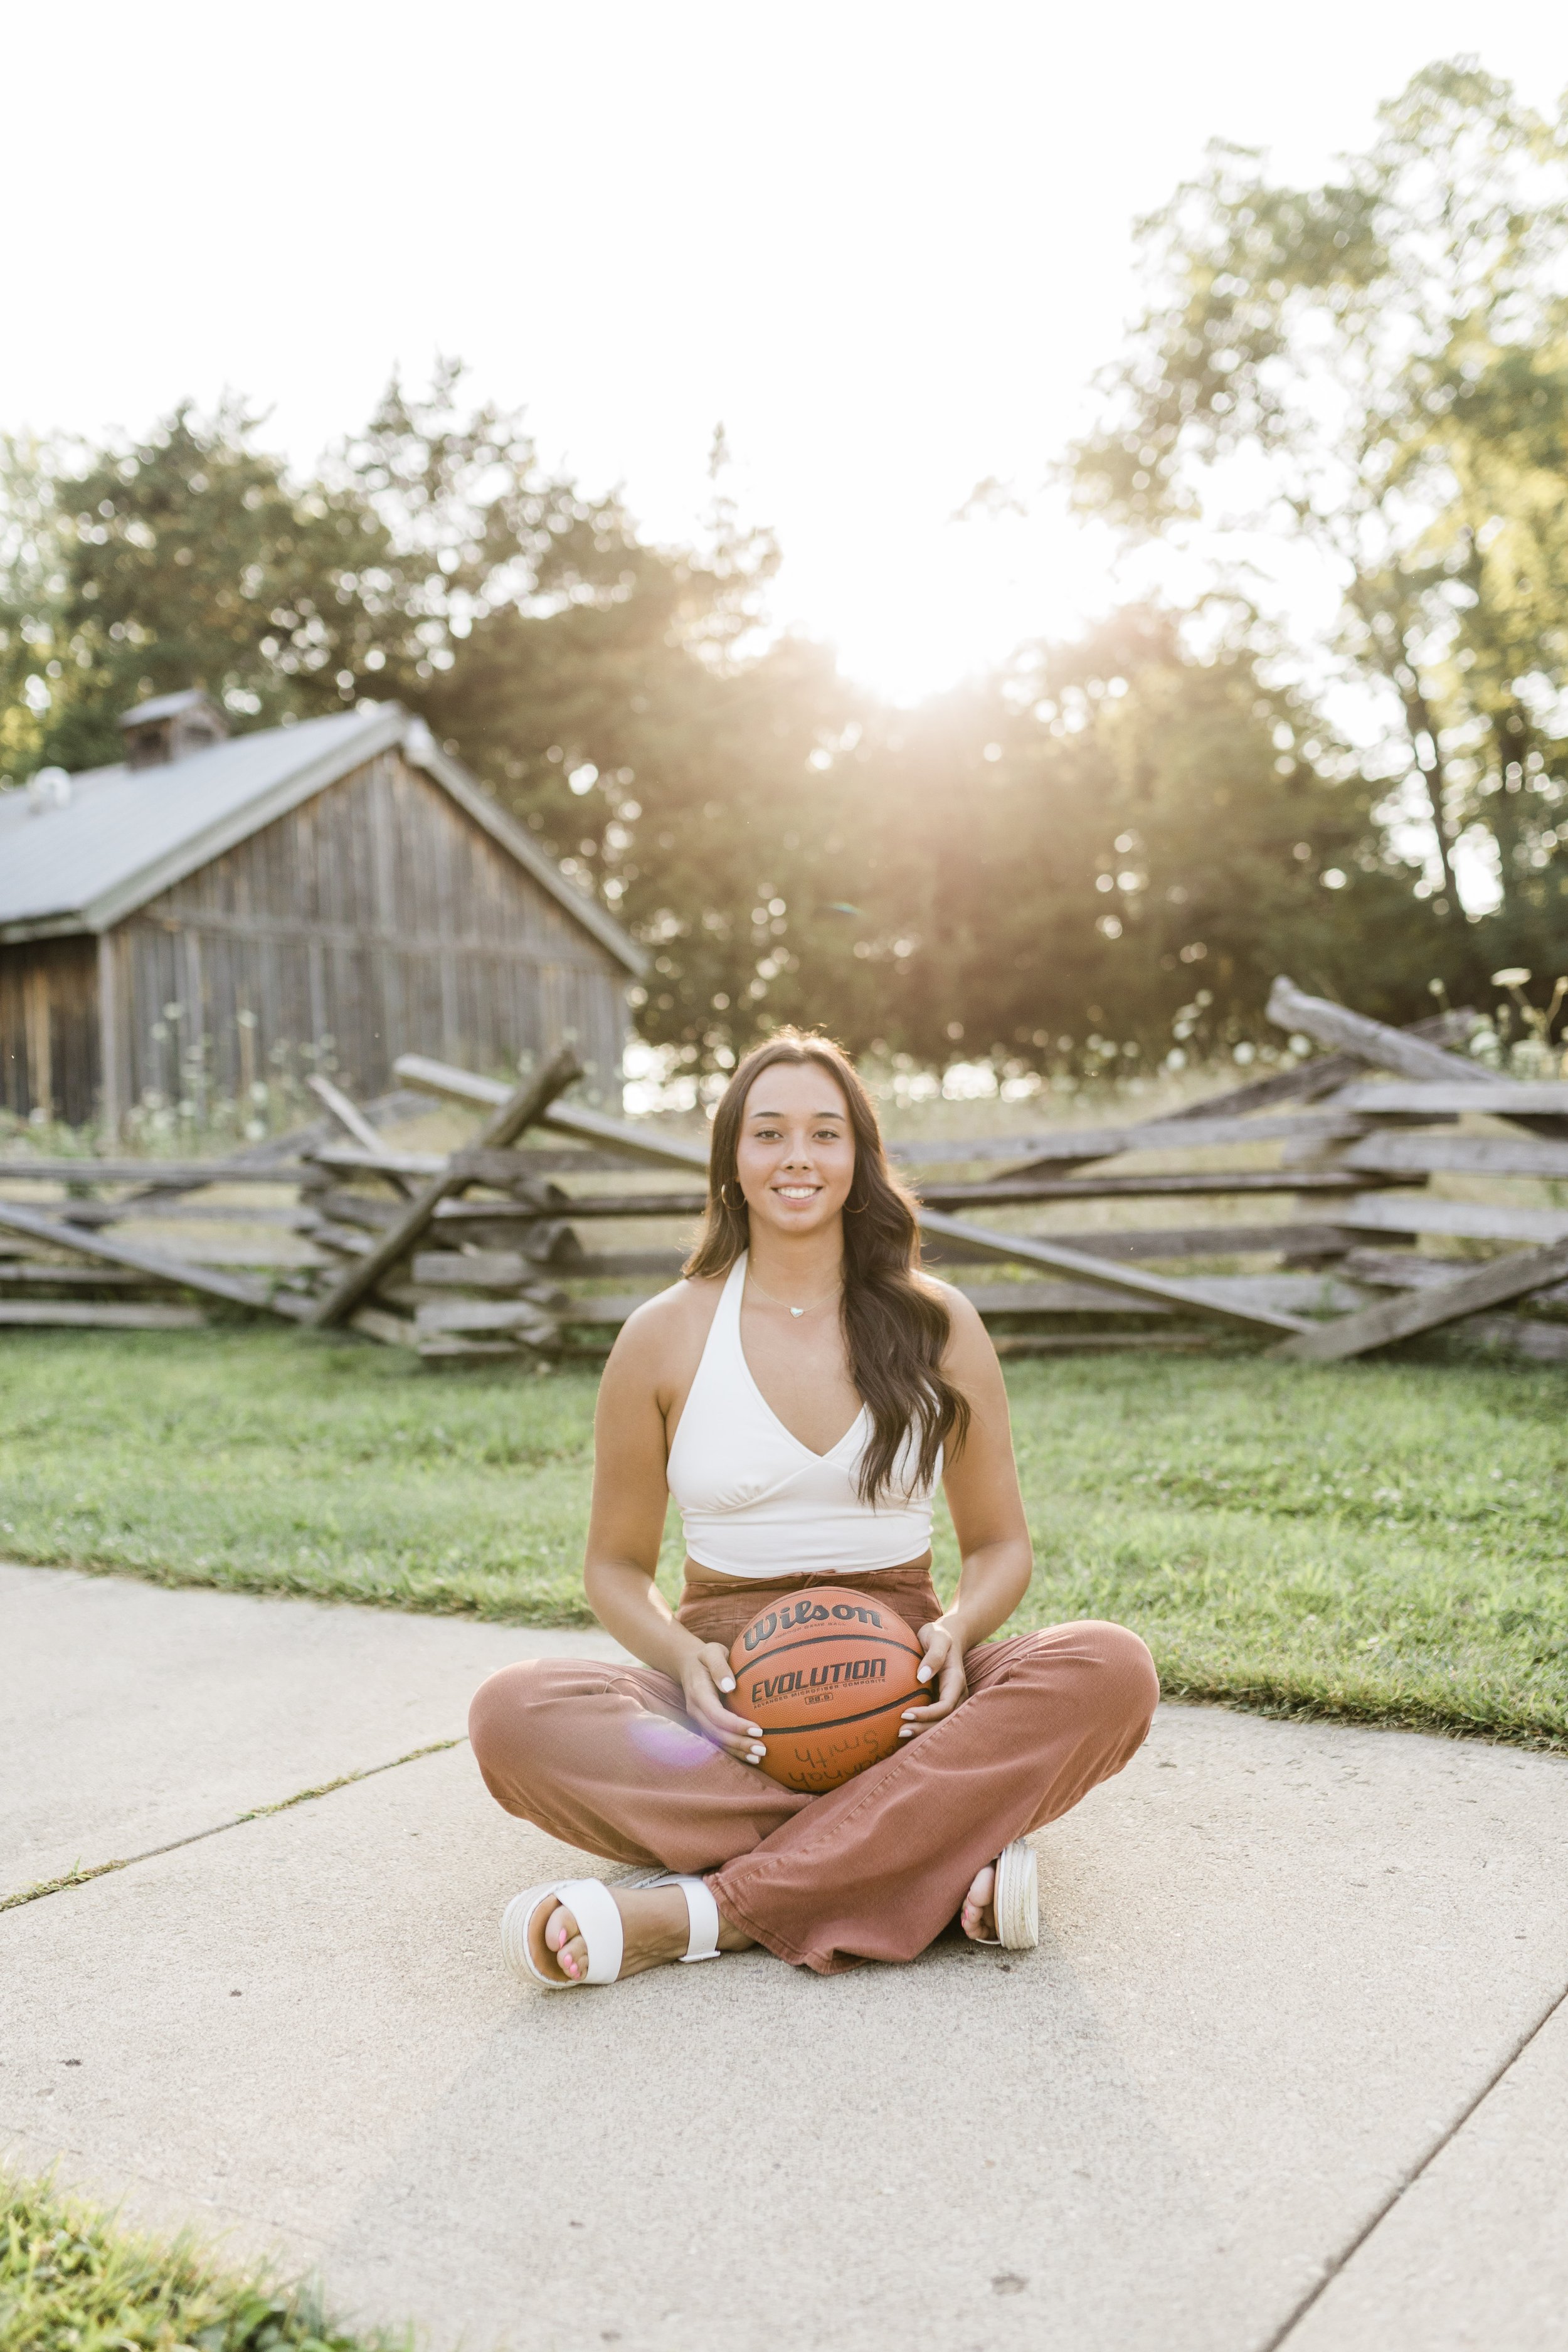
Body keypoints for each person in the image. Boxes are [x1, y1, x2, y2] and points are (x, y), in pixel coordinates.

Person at [469, 1030, 1158, 1983]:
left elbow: (999, 1544)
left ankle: (704, 1911)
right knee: (512, 1715)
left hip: (913, 1689)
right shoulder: (661, 1336)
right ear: (731, 1160)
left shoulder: (937, 1321)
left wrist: (960, 1630)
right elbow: (615, 1566)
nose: (797, 1156)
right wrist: (682, 1659)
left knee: (1111, 1669)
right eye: (769, 1133)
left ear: (859, 1159)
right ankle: (937, 1848)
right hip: (727, 1711)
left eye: (826, 1133)